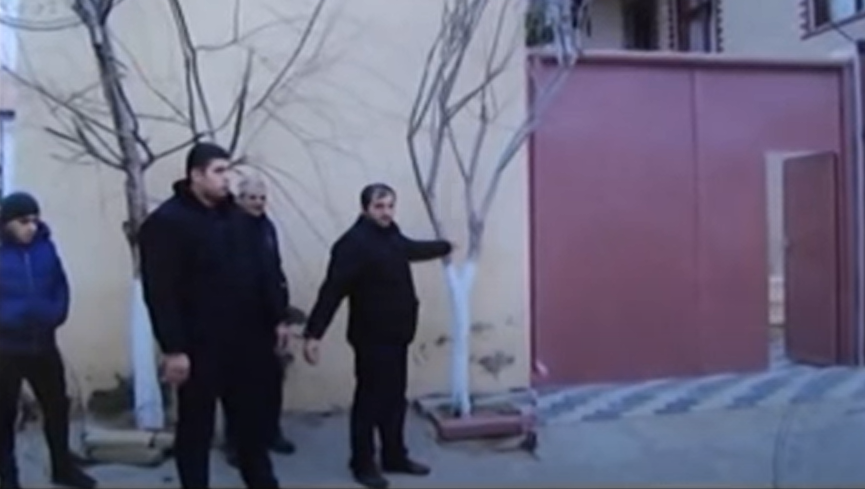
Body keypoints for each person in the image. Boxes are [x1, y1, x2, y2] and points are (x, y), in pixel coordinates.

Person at [138, 143, 292, 489]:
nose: (227, 179)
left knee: (252, 428)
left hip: (246, 343)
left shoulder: (238, 218)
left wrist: (278, 319)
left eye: (229, 171)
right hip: (198, 347)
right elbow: (160, 293)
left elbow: (264, 271)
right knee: (196, 431)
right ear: (196, 175)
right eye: (219, 171)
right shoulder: (167, 223)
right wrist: (174, 349)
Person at [302, 183, 453, 489]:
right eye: (379, 207)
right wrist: (313, 334)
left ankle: (394, 455)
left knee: (394, 399)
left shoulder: (390, 234)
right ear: (365, 209)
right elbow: (332, 291)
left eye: (390, 206)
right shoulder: (352, 244)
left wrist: (444, 247)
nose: (386, 212)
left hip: (398, 335)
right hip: (371, 338)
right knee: (370, 401)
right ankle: (362, 463)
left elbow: (410, 249)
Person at [0, 192, 98, 489]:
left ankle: (62, 467)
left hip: (43, 344)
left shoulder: (45, 248)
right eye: (23, 221)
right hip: (6, 348)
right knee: (4, 414)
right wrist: (10, 320)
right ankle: (7, 476)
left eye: (34, 220)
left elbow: (60, 286)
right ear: (6, 223)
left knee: (56, 406)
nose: (31, 227)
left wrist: (54, 314)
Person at [222, 176, 296, 467]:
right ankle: (234, 443)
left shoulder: (267, 227)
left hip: (267, 317)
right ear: (240, 199)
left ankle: (270, 432)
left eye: (262, 198)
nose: (258, 203)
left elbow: (274, 271)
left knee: (271, 379)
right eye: (252, 198)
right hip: (237, 319)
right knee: (237, 385)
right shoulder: (228, 228)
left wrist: (281, 316)